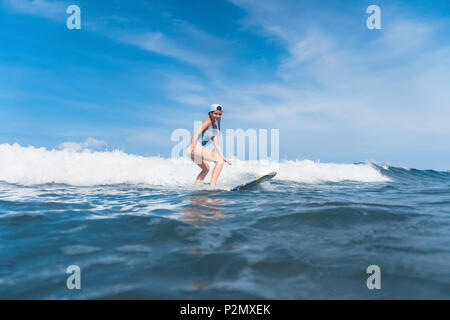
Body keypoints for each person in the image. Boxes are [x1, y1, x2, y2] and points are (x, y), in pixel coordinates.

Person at [186, 104, 232, 187]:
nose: (217, 116)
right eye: (215, 113)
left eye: (219, 114)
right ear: (210, 113)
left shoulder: (215, 128)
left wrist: (223, 156)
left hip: (192, 150)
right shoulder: (207, 121)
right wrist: (193, 147)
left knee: (206, 169)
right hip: (195, 148)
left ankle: (195, 187)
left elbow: (216, 144)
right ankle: (212, 186)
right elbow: (195, 134)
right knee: (219, 161)